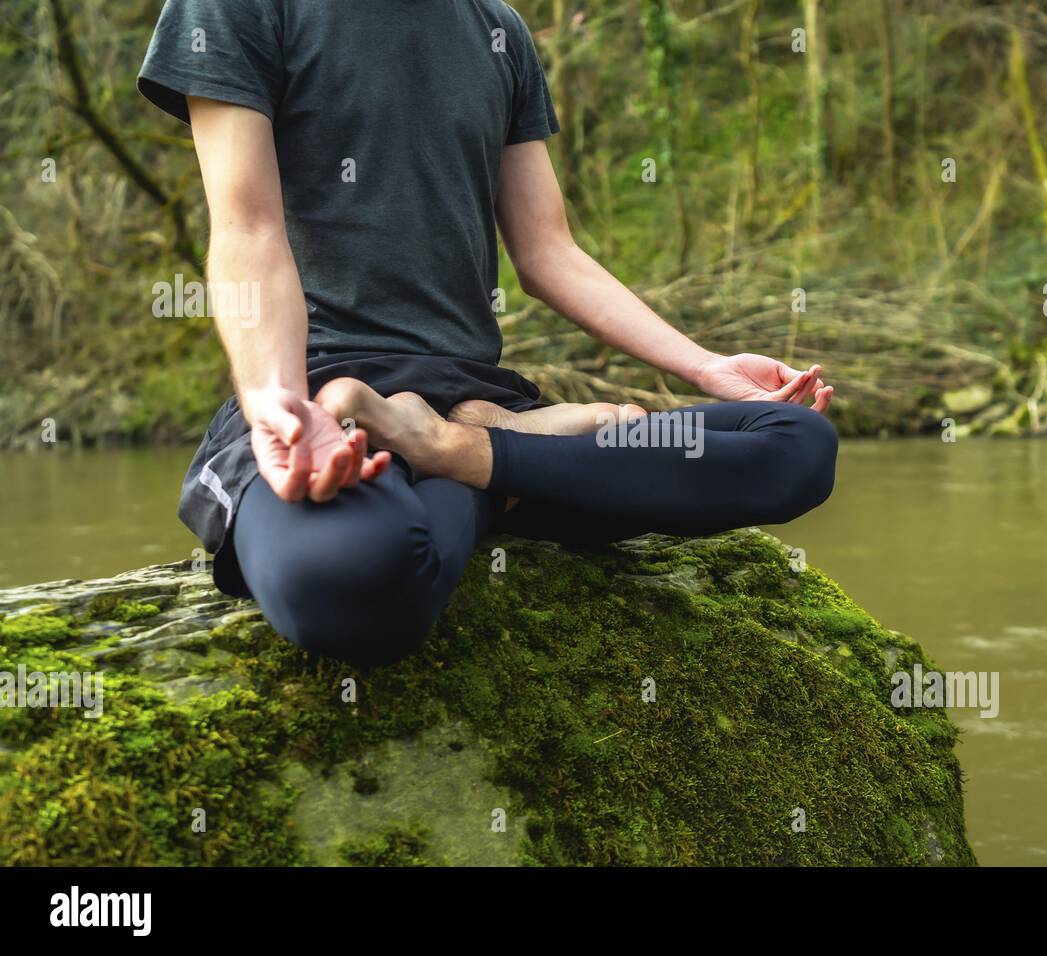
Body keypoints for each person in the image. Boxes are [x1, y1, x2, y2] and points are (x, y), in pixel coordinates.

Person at [138, 0, 838, 666]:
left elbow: (548, 252)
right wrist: (276, 403)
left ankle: (457, 450)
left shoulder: (497, 28)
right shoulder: (239, 9)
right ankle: (497, 471)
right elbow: (247, 229)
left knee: (797, 446)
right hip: (327, 398)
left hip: (472, 401)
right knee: (348, 586)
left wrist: (707, 367)